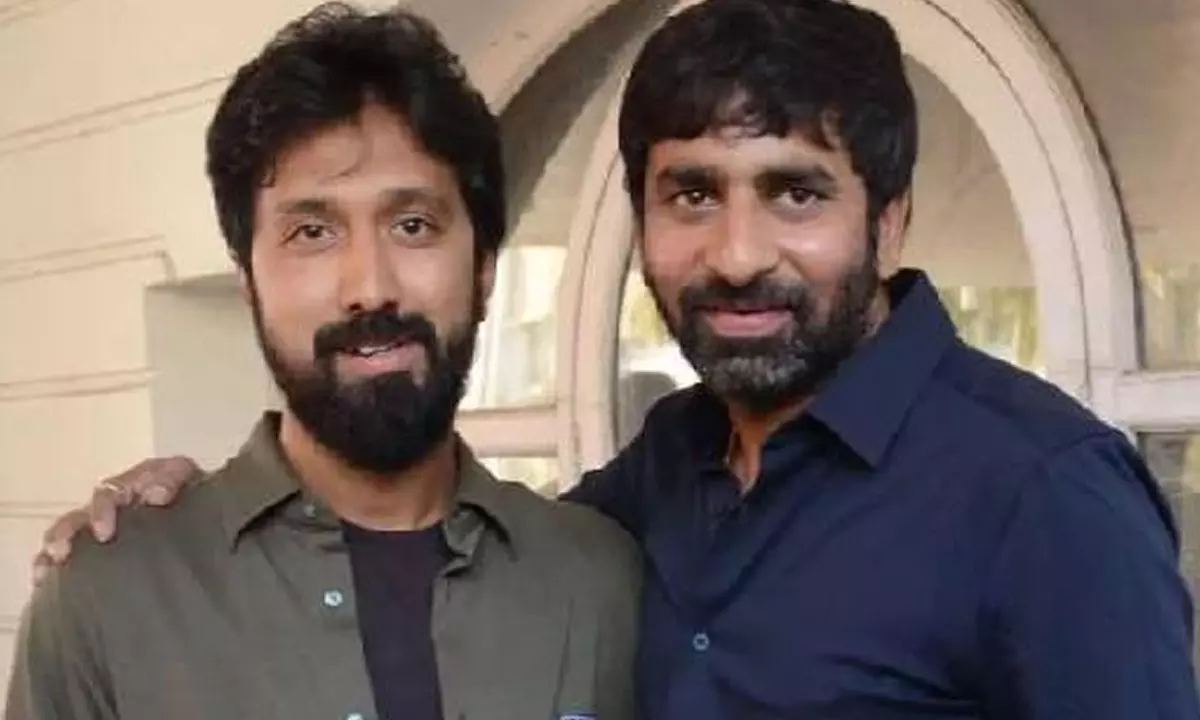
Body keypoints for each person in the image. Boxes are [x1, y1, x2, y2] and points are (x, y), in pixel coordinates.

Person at [28, 0, 1200, 718]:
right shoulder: (658, 484)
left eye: (795, 193)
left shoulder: (1044, 494)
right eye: (692, 195)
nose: (737, 254)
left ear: (888, 222)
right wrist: (183, 509)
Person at [4, 5, 640, 720]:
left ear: (484, 270)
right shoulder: (107, 601)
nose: (370, 286)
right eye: (312, 232)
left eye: (413, 225)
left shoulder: (601, 584)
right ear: (249, 283)